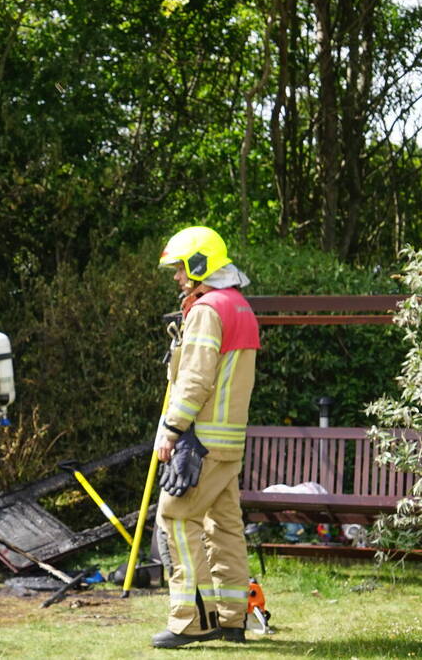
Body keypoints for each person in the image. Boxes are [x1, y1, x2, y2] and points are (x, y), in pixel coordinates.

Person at [151, 226, 260, 649]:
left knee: (176, 517)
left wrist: (172, 429)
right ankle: (233, 619)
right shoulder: (239, 306)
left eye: (181, 269)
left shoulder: (207, 310)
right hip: (228, 442)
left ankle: (193, 621)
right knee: (224, 526)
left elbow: (195, 379)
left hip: (201, 442)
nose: (178, 278)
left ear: (201, 265)